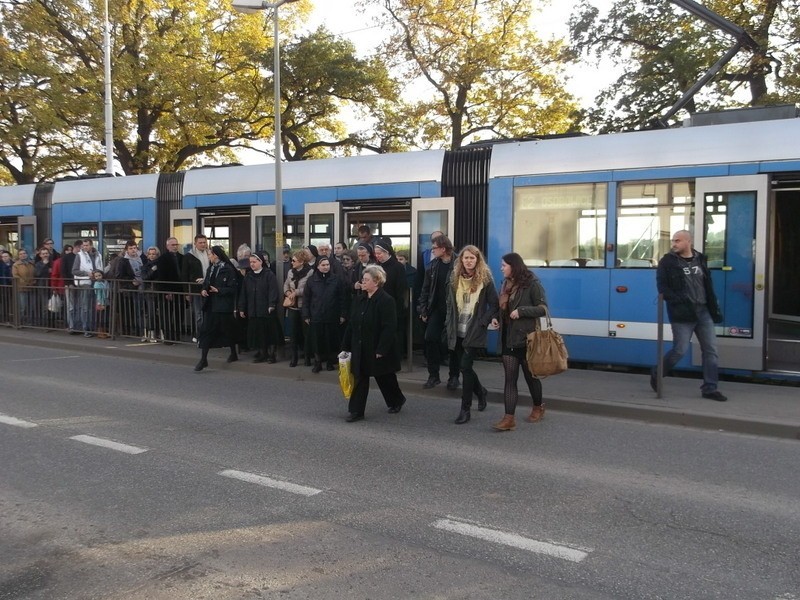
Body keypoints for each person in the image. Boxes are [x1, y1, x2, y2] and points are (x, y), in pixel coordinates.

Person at [653, 229, 727, 401]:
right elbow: (662, 287)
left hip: (703, 311)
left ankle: (710, 388)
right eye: (673, 241)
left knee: (711, 350)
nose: (674, 244)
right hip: (683, 312)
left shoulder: (700, 258)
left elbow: (706, 283)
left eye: (678, 241)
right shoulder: (667, 262)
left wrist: (712, 304)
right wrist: (679, 300)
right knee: (680, 350)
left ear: (688, 241)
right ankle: (658, 372)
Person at [341, 264, 407, 422]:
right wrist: (345, 347)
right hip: (360, 346)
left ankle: (396, 400)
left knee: (385, 377)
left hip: (378, 347)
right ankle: (356, 411)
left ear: (376, 282)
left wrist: (381, 349)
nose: (363, 282)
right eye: (363, 279)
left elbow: (389, 327)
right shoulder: (359, 300)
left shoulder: (386, 300)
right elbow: (352, 325)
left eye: (366, 279)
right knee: (360, 378)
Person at [493, 252, 548, 432]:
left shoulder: (532, 283)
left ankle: (538, 406)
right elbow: (501, 308)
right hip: (507, 337)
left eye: (504, 265)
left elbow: (542, 309)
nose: (501, 268)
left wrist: (522, 311)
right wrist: (496, 318)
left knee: (530, 377)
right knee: (510, 379)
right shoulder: (504, 285)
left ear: (513, 266)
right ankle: (509, 418)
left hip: (526, 339)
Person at [446, 245, 498, 425]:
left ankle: (465, 409)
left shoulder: (486, 279)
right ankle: (481, 392)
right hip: (457, 329)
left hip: (474, 330)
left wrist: (483, 321)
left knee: (466, 368)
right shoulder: (454, 278)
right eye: (465, 258)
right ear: (461, 260)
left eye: (472, 258)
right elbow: (450, 304)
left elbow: (495, 304)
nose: (468, 261)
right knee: (464, 368)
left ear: (478, 260)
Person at [417, 234, 459, 390]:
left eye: (434, 248)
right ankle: (433, 375)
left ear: (443, 248)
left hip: (454, 311)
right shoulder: (433, 265)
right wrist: (423, 308)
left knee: (453, 344)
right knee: (430, 338)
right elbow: (425, 289)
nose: (432, 250)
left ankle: (454, 376)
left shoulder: (458, 264)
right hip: (436, 309)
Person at [195, 246, 240, 371]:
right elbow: (206, 283)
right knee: (207, 331)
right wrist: (204, 290)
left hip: (224, 307)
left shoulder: (228, 269)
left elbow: (232, 289)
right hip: (211, 306)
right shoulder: (211, 268)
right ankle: (203, 359)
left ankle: (233, 353)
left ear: (216, 255)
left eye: (210, 254)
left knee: (228, 331)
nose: (208, 256)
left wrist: (219, 290)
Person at [302, 256, 346, 373]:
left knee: (330, 340)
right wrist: (306, 315)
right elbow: (306, 299)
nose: (326, 267)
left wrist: (343, 314)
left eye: (327, 265)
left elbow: (342, 298)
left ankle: (330, 362)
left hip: (332, 315)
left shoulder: (336, 279)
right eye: (323, 265)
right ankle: (317, 362)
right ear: (318, 266)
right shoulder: (311, 280)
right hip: (316, 316)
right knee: (317, 341)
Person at [238, 251, 282, 363]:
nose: (252, 264)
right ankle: (262, 354)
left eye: (254, 262)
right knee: (258, 334)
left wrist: (271, 304)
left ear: (260, 262)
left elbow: (273, 290)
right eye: (250, 262)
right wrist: (242, 308)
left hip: (266, 310)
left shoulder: (269, 275)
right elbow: (244, 293)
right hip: (254, 310)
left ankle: (272, 355)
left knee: (270, 334)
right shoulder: (248, 276)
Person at [373, 237, 409, 357]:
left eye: (379, 253)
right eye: (376, 253)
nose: (377, 256)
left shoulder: (397, 267)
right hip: (377, 304)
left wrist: (398, 308)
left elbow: (400, 289)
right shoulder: (376, 267)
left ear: (387, 252)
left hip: (393, 304)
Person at [283, 250, 313, 367]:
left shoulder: (310, 272)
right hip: (292, 307)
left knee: (305, 333)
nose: (292, 262)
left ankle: (307, 357)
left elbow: (308, 289)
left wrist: (296, 292)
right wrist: (287, 292)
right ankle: (294, 357)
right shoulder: (291, 272)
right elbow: (286, 283)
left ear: (301, 262)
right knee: (293, 333)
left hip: (303, 306)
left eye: (294, 261)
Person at [154, 237, 185, 344]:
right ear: (167, 246)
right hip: (168, 291)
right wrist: (167, 291)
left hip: (180, 291)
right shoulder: (162, 259)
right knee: (166, 315)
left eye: (176, 244)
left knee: (179, 314)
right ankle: (168, 337)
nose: (175, 246)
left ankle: (176, 336)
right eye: (173, 245)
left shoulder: (182, 257)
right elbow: (161, 276)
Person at [72, 239, 103, 335]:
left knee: (94, 306)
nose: (85, 247)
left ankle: (92, 328)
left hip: (96, 283)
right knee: (85, 307)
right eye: (84, 245)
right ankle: (86, 329)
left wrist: (98, 273)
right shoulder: (79, 255)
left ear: (91, 245)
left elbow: (100, 267)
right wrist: (87, 273)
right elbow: (74, 271)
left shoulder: (98, 255)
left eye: (87, 245)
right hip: (85, 283)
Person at [183, 234, 209, 341]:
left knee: (208, 313)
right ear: (195, 243)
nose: (203, 244)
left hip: (208, 288)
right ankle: (198, 335)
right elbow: (184, 275)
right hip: (195, 289)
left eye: (204, 242)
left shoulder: (210, 254)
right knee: (198, 313)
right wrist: (186, 292)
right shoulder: (188, 257)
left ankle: (207, 334)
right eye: (200, 242)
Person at [116, 240, 144, 337]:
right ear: (126, 250)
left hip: (141, 288)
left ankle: (139, 330)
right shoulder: (123, 261)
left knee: (139, 310)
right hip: (130, 290)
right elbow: (119, 276)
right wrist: (131, 281)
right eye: (130, 248)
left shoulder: (141, 258)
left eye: (134, 248)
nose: (133, 250)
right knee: (130, 311)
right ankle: (128, 331)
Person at [62, 240, 83, 334]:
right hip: (70, 284)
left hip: (80, 284)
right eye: (82, 247)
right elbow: (64, 271)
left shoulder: (82, 256)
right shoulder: (66, 257)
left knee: (79, 306)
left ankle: (78, 326)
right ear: (77, 247)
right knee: (71, 306)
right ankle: (71, 326)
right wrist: (68, 283)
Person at [12, 249, 34, 325]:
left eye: (24, 253)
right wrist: (25, 283)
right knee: (22, 306)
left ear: (27, 254)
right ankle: (19, 321)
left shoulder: (31, 263)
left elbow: (34, 274)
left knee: (30, 306)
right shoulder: (16, 265)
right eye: (21, 254)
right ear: (18, 256)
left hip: (31, 288)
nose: (23, 255)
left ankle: (29, 321)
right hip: (21, 288)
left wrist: (33, 282)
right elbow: (15, 276)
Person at [33, 247, 54, 327]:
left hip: (51, 286)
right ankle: (46, 324)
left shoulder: (52, 262)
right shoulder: (38, 264)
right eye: (43, 254)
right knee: (45, 306)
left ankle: (52, 323)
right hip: (43, 287)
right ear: (40, 255)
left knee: (52, 305)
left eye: (46, 253)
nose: (45, 255)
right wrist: (44, 265)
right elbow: (37, 274)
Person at [92, 269, 110, 338]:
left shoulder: (103, 282)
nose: (98, 277)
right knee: (100, 317)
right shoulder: (97, 284)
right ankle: (100, 332)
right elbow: (98, 294)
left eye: (99, 275)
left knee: (104, 317)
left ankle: (104, 331)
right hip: (100, 302)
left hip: (104, 301)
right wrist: (100, 303)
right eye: (96, 276)